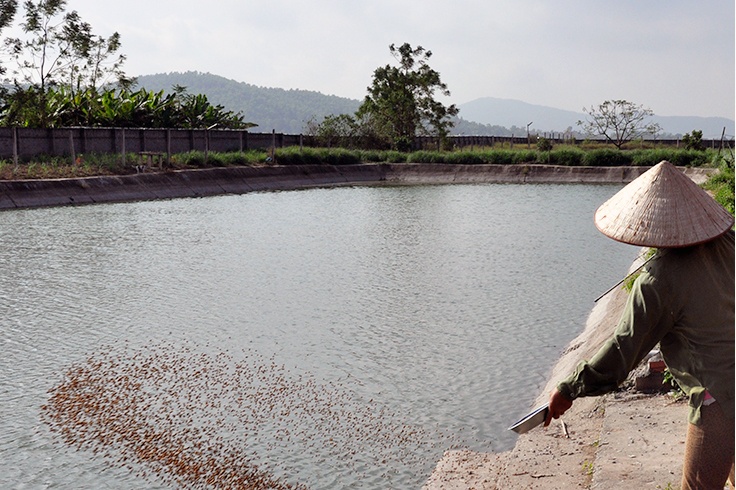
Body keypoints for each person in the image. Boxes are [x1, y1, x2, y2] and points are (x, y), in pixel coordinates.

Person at [543, 160, 735, 490]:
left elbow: (624, 348)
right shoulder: (729, 242)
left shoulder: (658, 280)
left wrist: (569, 389)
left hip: (719, 398)